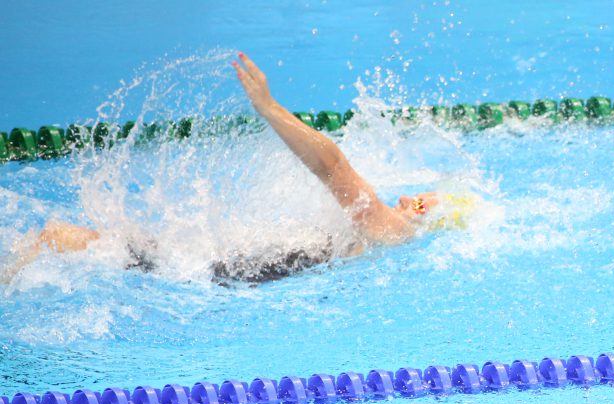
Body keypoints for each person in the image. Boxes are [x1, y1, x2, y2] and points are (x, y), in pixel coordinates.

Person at [4, 52, 473, 284]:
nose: (405, 198)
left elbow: (333, 168)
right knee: (92, 245)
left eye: (418, 199)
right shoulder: (388, 243)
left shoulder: (394, 230)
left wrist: (269, 108)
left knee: (72, 242)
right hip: (237, 265)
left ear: (420, 213)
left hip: (226, 272)